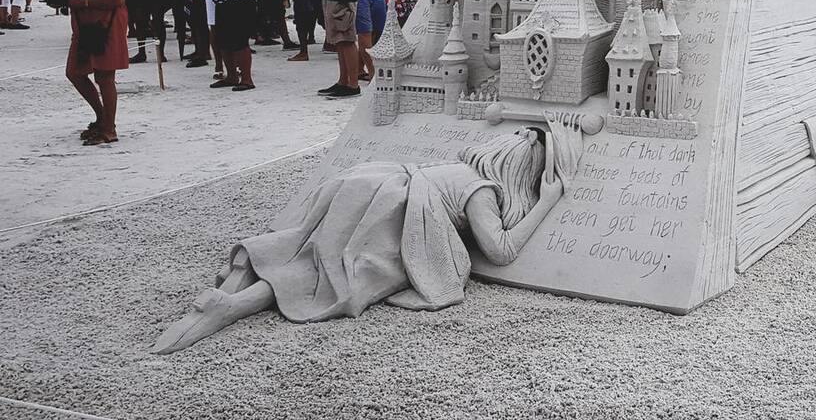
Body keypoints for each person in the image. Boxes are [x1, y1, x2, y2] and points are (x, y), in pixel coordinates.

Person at [150, 128, 566, 354]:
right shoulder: (482, 191)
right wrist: (546, 201)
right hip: (394, 207)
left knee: (306, 248)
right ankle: (235, 305)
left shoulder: (457, 165)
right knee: (335, 278)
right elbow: (500, 250)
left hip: (372, 179)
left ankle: (242, 274)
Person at [54, 0, 128, 145]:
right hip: (85, 26)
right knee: (75, 72)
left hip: (106, 24)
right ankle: (102, 117)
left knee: (104, 76)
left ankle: (109, 129)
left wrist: (81, 2)